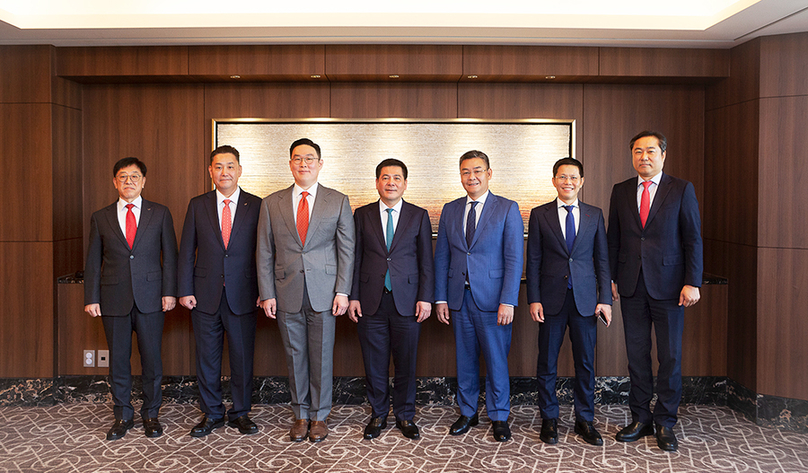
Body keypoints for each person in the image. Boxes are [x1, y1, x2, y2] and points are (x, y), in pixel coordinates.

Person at [608, 131, 703, 452]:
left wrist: (693, 281)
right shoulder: (620, 191)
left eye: (650, 151)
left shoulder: (681, 189)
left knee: (670, 357)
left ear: (663, 155)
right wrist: (610, 277)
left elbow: (692, 238)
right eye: (637, 151)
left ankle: (665, 421)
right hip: (631, 285)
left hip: (671, 287)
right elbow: (613, 239)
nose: (643, 157)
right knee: (637, 356)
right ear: (631, 155)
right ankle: (640, 418)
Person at [257, 138, 355, 443]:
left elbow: (346, 250)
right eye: (298, 159)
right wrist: (267, 293)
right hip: (285, 290)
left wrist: (343, 291)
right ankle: (300, 414)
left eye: (310, 159)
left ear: (320, 164)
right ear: (290, 164)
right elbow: (264, 251)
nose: (304, 164)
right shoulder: (271, 202)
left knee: (322, 354)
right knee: (294, 353)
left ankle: (319, 416)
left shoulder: (337, 200)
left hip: (325, 293)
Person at [84, 157, 178, 440]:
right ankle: (122, 414)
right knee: (119, 362)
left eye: (134, 176)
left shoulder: (159, 213)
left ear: (144, 181)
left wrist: (169, 292)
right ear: (115, 182)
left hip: (152, 298)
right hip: (114, 298)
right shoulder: (101, 217)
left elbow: (170, 257)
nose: (129, 182)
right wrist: (91, 297)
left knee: (151, 360)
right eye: (123, 177)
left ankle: (151, 414)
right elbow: (92, 261)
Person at [434, 150, 523, 442]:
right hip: (459, 298)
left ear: (489, 173)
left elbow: (513, 258)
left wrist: (508, 300)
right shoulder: (450, 209)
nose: (471, 177)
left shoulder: (507, 208)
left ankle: (499, 415)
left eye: (477, 171)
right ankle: (468, 411)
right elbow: (443, 258)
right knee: (465, 359)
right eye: (465, 172)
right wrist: (441, 298)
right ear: (460, 176)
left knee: (497, 360)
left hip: (494, 300)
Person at [526, 157, 612, 446]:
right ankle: (549, 419)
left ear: (582, 181)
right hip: (550, 301)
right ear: (553, 181)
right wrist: (533, 299)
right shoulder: (540, 215)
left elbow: (602, 260)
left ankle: (584, 420)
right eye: (562, 177)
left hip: (586, 301)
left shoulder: (594, 214)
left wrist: (605, 300)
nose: (568, 182)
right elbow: (534, 260)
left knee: (585, 363)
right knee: (547, 362)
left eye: (573, 177)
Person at [178, 145, 262, 437]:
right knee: (207, 359)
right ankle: (212, 412)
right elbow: (187, 250)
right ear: (210, 171)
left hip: (244, 294)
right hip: (203, 295)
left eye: (230, 166)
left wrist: (265, 290)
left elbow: (263, 253)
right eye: (218, 167)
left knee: (241, 358)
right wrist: (185, 289)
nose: (224, 172)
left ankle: (240, 412)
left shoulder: (257, 205)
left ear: (239, 170)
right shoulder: (197, 204)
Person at [348, 159, 434, 440]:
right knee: (374, 361)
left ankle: (405, 415)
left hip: (408, 301)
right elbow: (355, 258)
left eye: (397, 178)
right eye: (385, 177)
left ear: (405, 184)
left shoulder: (418, 215)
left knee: (406, 361)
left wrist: (425, 298)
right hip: (371, 300)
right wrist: (353, 297)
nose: (391, 182)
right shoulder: (362, 215)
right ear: (377, 183)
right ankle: (378, 413)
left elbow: (426, 261)